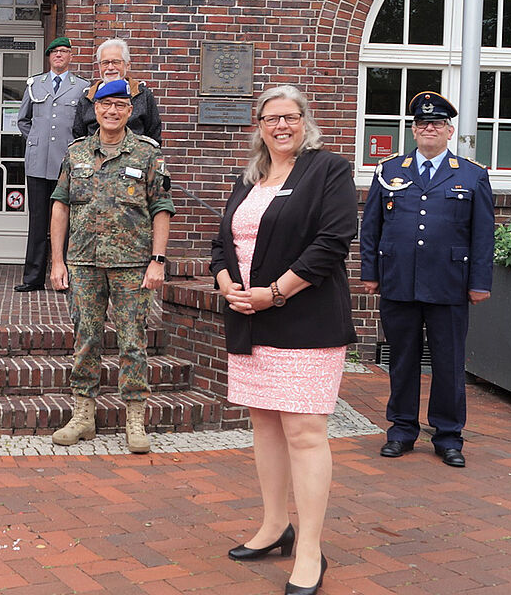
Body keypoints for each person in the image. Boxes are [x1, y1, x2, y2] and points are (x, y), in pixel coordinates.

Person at [209, 85, 357, 595]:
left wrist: (275, 292)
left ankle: (311, 549)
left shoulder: (328, 170)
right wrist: (227, 284)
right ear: (259, 124)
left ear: (304, 120)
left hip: (304, 320)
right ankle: (275, 527)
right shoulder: (248, 177)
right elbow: (221, 241)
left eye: (290, 117)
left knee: (305, 432)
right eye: (271, 118)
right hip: (250, 320)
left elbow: (333, 242)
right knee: (265, 426)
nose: (281, 126)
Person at [360, 91, 493, 469]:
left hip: (449, 283)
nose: (428, 128)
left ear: (449, 131)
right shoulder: (390, 170)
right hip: (399, 281)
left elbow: (483, 235)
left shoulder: (471, 174)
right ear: (414, 130)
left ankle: (448, 436)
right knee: (402, 360)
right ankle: (401, 431)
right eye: (421, 123)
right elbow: (371, 227)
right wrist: (370, 273)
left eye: (436, 123)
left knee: (448, 363)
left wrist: (479, 282)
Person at [48, 79, 174, 454]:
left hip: (133, 264)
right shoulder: (76, 154)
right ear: (96, 110)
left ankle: (135, 420)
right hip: (84, 261)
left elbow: (161, 208)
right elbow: (61, 205)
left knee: (133, 341)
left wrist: (158, 260)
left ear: (130, 111)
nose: (113, 111)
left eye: (120, 105)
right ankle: (83, 416)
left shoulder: (147, 155)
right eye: (106, 105)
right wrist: (57, 260)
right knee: (85, 339)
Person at [15, 36, 86, 292]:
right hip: (37, 162)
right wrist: (35, 139)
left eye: (64, 52)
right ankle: (32, 278)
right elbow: (24, 120)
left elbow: (85, 125)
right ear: (49, 57)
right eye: (55, 52)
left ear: (70, 56)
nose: (59, 55)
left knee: (66, 219)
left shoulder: (81, 87)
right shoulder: (35, 84)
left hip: (66, 163)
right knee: (37, 220)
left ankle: (63, 275)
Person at [71, 38, 162, 142]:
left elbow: (154, 134)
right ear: (99, 66)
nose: (110, 67)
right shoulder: (88, 97)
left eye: (116, 62)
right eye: (105, 63)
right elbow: (79, 134)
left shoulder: (142, 95)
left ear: (127, 65)